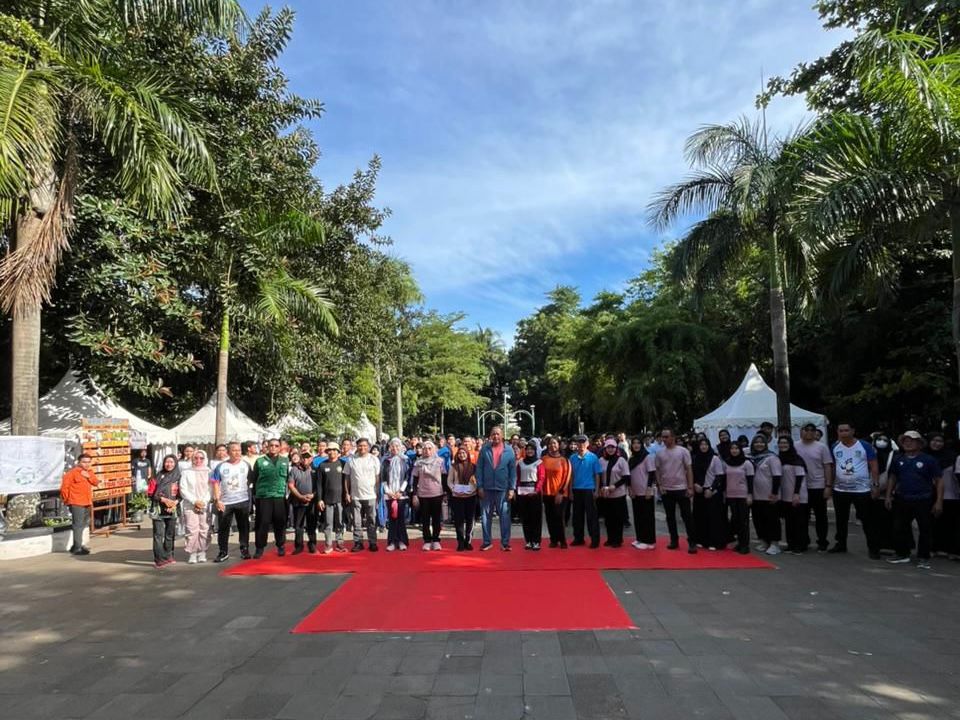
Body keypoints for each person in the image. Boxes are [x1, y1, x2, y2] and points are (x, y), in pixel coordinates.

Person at [886, 430, 943, 569]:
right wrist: (888, 495)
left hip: (923, 499)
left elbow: (939, 480)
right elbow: (892, 478)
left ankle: (923, 557)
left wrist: (939, 501)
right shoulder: (898, 459)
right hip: (902, 498)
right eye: (905, 441)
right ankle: (902, 554)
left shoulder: (928, 460)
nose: (908, 443)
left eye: (911, 441)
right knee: (899, 527)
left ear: (919, 443)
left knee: (925, 529)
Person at [829, 422, 880, 557]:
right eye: (841, 431)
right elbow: (833, 467)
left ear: (853, 431)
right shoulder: (835, 446)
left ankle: (873, 548)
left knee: (867, 519)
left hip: (861, 490)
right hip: (840, 490)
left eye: (846, 430)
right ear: (837, 432)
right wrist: (829, 485)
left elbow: (874, 466)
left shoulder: (864, 446)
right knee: (841, 519)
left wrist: (875, 485)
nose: (844, 433)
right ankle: (841, 544)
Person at [654, 428, 696, 554]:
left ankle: (692, 542)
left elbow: (689, 469)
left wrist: (690, 487)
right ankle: (674, 540)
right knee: (670, 516)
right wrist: (660, 485)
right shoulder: (660, 453)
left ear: (673, 437)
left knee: (687, 516)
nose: (664, 439)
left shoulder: (683, 451)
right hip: (667, 489)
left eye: (666, 437)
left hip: (682, 488)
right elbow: (657, 470)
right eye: (662, 437)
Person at [476, 426, 518, 551]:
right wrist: (480, 486)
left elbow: (512, 471)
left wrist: (512, 488)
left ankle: (505, 543)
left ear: (502, 435)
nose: (495, 436)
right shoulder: (484, 449)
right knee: (485, 516)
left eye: (498, 434)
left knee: (504, 516)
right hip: (487, 488)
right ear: (490, 435)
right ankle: (487, 541)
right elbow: (479, 469)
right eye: (493, 434)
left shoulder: (509, 450)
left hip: (503, 488)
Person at [796, 423, 834, 552]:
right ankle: (803, 540)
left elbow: (827, 466)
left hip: (818, 485)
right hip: (801, 486)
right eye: (807, 429)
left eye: (813, 430)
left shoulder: (822, 447)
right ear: (802, 431)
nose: (810, 432)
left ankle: (822, 541)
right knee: (802, 516)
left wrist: (828, 486)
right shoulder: (795, 446)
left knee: (821, 516)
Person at [211, 442, 252, 562]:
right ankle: (223, 551)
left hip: (242, 500)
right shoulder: (221, 466)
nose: (237, 452)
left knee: (244, 526)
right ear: (228, 452)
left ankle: (244, 549)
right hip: (225, 502)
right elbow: (215, 483)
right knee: (223, 528)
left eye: (239, 450)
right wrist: (217, 500)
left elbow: (250, 481)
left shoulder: (246, 465)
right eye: (234, 450)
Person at [251, 438, 290, 559]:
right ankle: (260, 548)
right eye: (271, 445)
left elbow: (288, 478)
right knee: (262, 523)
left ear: (280, 448)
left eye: (276, 446)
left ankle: (281, 545)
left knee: (280, 523)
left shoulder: (285, 461)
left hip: (279, 496)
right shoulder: (260, 461)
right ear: (267, 447)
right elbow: (254, 478)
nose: (273, 447)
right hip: (264, 497)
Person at [345, 437, 380, 552]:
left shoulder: (374, 459)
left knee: (371, 520)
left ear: (369, 447)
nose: (362, 448)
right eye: (360, 445)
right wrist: (347, 493)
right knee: (357, 521)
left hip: (371, 495)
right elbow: (347, 478)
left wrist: (377, 492)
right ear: (357, 447)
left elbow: (377, 477)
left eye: (365, 445)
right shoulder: (351, 460)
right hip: (355, 495)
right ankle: (358, 542)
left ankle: (373, 542)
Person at [749, 434, 782, 555]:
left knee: (772, 520)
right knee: (758, 519)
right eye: (756, 442)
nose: (759, 444)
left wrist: (774, 492)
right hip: (755, 494)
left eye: (761, 442)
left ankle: (774, 543)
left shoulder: (772, 457)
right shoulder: (751, 457)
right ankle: (763, 541)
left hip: (769, 494)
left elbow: (777, 476)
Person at [60, 453, 99, 556]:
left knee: (82, 525)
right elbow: (64, 488)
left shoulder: (90, 472)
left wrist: (88, 476)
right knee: (77, 525)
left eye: (88, 462)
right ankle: (77, 548)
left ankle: (76, 545)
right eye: (84, 462)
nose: (86, 464)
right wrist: (67, 501)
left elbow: (96, 482)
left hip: (87, 501)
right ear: (79, 462)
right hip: (76, 502)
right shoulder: (72, 473)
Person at [928, 433, 958, 559]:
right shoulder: (924, 456)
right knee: (932, 523)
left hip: (951, 494)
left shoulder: (952, 457)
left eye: (940, 441)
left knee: (949, 524)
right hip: (929, 494)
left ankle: (948, 549)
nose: (937, 443)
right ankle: (933, 548)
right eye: (934, 440)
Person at [692, 439, 726, 550]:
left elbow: (719, 476)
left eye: (706, 444)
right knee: (700, 517)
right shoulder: (696, 458)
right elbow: (692, 473)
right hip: (699, 490)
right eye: (701, 444)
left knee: (713, 517)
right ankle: (701, 540)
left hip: (712, 492)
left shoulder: (714, 458)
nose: (703, 447)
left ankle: (714, 541)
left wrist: (711, 489)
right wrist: (695, 484)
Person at [569, 434, 602, 549]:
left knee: (591, 516)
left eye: (583, 442)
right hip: (576, 489)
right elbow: (571, 475)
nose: (581, 445)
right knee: (577, 516)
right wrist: (570, 491)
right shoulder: (572, 458)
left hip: (589, 489)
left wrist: (597, 490)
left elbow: (597, 475)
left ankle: (595, 540)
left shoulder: (593, 457)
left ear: (587, 444)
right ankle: (578, 538)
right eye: (579, 442)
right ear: (576, 444)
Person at [721, 442, 755, 554]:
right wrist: (725, 493)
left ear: (740, 449)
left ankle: (744, 545)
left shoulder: (747, 463)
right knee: (735, 519)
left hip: (743, 495)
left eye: (736, 448)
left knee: (743, 520)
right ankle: (738, 541)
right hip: (731, 495)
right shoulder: (726, 463)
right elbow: (724, 480)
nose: (734, 450)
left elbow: (750, 480)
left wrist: (750, 494)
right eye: (732, 448)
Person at [778, 436, 809, 554]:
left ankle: (800, 545)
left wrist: (796, 493)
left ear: (790, 444)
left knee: (799, 522)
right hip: (785, 495)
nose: (783, 445)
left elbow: (800, 477)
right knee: (789, 521)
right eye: (781, 443)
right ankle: (791, 544)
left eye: (785, 443)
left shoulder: (796, 459)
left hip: (798, 494)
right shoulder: (780, 458)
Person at [180, 449, 212, 563]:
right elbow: (183, 489)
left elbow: (211, 489)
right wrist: (195, 501)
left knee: (204, 528)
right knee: (192, 529)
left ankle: (202, 551)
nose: (198, 460)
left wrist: (203, 501)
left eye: (201, 458)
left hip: (204, 504)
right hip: (190, 504)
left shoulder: (209, 472)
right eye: (196, 458)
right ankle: (192, 553)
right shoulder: (186, 472)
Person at [412, 440, 446, 550]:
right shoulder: (418, 463)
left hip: (437, 493)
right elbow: (415, 480)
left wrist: (445, 493)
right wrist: (414, 494)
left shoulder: (440, 461)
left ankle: (436, 540)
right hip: (423, 494)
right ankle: (427, 540)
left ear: (434, 449)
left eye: (430, 448)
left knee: (436, 518)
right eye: (425, 448)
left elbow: (444, 478)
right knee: (425, 519)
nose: (427, 450)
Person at [148, 455, 181, 567]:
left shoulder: (178, 477)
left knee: (170, 534)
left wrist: (174, 503)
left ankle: (169, 555)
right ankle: (159, 559)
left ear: (175, 463)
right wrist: (163, 500)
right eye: (167, 462)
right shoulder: (157, 477)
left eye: (172, 462)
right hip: (158, 509)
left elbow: (182, 494)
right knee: (158, 535)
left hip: (173, 509)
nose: (169, 464)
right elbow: (150, 493)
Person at [597, 439, 630, 548]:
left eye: (612, 447)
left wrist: (614, 486)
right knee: (608, 518)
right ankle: (610, 538)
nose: (610, 449)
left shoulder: (621, 460)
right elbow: (599, 475)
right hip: (606, 494)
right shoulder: (601, 460)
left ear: (616, 448)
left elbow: (626, 477)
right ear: (605, 449)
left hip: (618, 493)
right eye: (608, 447)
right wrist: (601, 487)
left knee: (618, 517)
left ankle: (618, 539)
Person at [540, 437, 571, 548]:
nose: (552, 445)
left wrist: (561, 492)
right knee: (549, 517)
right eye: (550, 443)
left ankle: (562, 540)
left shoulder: (564, 460)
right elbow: (540, 475)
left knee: (559, 517)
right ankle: (553, 539)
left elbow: (567, 477)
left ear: (558, 445)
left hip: (560, 493)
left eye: (554, 443)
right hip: (547, 492)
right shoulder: (543, 459)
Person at [626, 437, 656, 550]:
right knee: (638, 516)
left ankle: (649, 541)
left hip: (645, 491)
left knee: (647, 516)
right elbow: (628, 475)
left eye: (638, 443)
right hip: (635, 491)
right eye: (634, 443)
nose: (636, 445)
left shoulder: (647, 457)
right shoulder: (632, 458)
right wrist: (630, 488)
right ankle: (640, 538)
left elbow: (652, 473)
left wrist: (649, 488)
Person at [381, 438, 410, 551]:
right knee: (392, 518)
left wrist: (400, 491)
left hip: (401, 494)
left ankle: (402, 541)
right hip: (390, 494)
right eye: (393, 446)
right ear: (390, 448)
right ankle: (392, 541)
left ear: (401, 447)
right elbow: (383, 478)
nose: (395, 448)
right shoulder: (385, 461)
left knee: (401, 518)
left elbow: (407, 477)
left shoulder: (405, 460)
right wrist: (388, 491)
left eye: (397, 446)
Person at [318, 442, 347, 553]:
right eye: (330, 450)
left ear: (338, 452)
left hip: (340, 499)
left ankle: (340, 544)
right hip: (327, 500)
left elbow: (346, 482)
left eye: (334, 450)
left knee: (340, 522)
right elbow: (319, 484)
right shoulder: (322, 465)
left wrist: (347, 495)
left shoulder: (343, 464)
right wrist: (320, 499)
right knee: (328, 523)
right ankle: (328, 545)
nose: (332, 452)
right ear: (327, 452)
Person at [516, 441, 545, 550]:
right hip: (523, 490)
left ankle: (536, 541)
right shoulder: (520, 462)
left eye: (531, 449)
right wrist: (518, 490)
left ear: (535, 450)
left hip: (535, 490)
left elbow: (541, 478)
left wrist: (536, 490)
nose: (529, 451)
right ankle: (528, 540)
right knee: (526, 516)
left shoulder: (539, 462)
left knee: (536, 517)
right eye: (527, 449)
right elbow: (518, 478)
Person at [287, 451, 317, 554]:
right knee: (298, 525)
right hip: (298, 501)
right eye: (303, 458)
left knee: (311, 524)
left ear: (311, 459)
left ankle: (312, 544)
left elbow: (319, 486)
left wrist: (313, 495)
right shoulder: (294, 470)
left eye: (308, 458)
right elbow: (291, 485)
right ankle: (299, 546)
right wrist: (300, 496)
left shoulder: (315, 471)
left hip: (312, 502)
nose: (305, 460)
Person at [448, 446, 478, 551]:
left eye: (464, 453)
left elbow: (476, 481)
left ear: (467, 454)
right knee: (459, 520)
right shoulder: (453, 467)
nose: (462, 455)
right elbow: (449, 481)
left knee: (470, 520)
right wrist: (454, 489)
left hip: (471, 496)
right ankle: (460, 541)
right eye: (460, 453)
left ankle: (468, 541)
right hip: (457, 496)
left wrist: (473, 489)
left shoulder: (473, 467)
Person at [872, 433, 897, 553]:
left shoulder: (894, 454)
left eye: (885, 439)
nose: (881, 441)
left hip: (889, 492)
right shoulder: (871, 452)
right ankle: (876, 545)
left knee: (888, 520)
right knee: (874, 521)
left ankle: (889, 545)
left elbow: (894, 473)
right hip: (871, 491)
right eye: (879, 439)